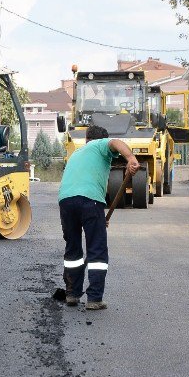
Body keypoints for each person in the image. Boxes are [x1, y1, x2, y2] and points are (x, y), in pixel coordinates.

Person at [58, 125, 140, 310]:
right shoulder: (100, 144)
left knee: (73, 250)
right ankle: (94, 298)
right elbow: (116, 143)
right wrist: (131, 158)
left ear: (86, 139)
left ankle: (72, 294)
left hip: (66, 200)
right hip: (89, 200)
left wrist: (99, 217)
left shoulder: (77, 154)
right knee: (97, 248)